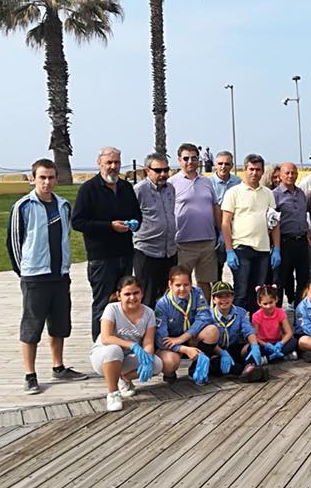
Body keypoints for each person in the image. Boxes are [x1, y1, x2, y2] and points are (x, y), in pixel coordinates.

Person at [7, 158, 87, 394]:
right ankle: (30, 374)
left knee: (60, 324)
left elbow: (65, 236)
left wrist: (63, 265)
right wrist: (24, 270)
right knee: (32, 326)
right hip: (35, 276)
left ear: (57, 179)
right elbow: (14, 242)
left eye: (51, 177)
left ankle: (58, 366)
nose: (47, 182)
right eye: (42, 177)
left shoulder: (63, 205)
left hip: (59, 275)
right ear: (33, 179)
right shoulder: (23, 206)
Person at [72, 146, 142, 341]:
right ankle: (100, 344)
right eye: (109, 162)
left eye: (116, 162)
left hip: (125, 254)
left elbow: (137, 214)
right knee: (103, 303)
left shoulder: (126, 187)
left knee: (125, 301)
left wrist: (134, 223)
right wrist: (110, 226)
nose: (113, 166)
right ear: (99, 163)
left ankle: (122, 341)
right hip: (101, 257)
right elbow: (78, 222)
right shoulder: (88, 189)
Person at [91, 275, 163, 411]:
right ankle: (113, 393)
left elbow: (148, 342)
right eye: (127, 294)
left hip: (127, 358)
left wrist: (147, 358)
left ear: (142, 294)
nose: (132, 297)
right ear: (119, 295)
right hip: (104, 357)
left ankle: (124, 378)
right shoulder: (112, 309)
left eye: (136, 293)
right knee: (114, 349)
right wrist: (132, 345)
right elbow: (106, 338)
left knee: (157, 364)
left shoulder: (149, 313)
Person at [221, 153, 281, 313]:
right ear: (245, 170)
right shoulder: (233, 192)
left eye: (258, 170)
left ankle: (254, 325)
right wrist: (229, 250)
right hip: (241, 249)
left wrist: (276, 248)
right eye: (251, 169)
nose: (254, 173)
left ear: (263, 171)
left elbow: (274, 222)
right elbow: (225, 223)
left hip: (263, 250)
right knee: (241, 292)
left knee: (258, 292)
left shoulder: (268, 193)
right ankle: (239, 324)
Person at [169, 142, 220, 303]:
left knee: (205, 282)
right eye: (186, 158)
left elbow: (215, 206)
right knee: (181, 283)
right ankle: (181, 312)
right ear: (179, 160)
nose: (190, 161)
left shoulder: (207, 182)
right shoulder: (172, 183)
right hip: (183, 242)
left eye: (194, 158)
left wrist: (220, 233)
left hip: (207, 241)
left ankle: (204, 312)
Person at [154, 266, 220, 383]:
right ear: (170, 284)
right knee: (170, 362)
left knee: (212, 330)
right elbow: (161, 339)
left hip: (191, 337)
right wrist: (184, 349)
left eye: (186, 285)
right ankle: (170, 373)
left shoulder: (197, 293)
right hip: (173, 343)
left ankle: (196, 369)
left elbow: (205, 317)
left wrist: (184, 337)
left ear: (191, 284)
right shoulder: (162, 305)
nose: (182, 289)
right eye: (178, 285)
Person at [133, 153, 178, 308]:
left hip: (169, 251)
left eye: (166, 170)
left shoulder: (170, 189)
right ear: (147, 170)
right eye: (158, 170)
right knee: (148, 298)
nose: (163, 174)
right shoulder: (139, 190)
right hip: (147, 251)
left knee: (168, 298)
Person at [207, 280, 265, 381]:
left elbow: (248, 331)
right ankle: (248, 370)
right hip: (217, 350)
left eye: (227, 296)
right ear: (213, 299)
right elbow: (208, 341)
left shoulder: (240, 312)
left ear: (233, 297)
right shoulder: (208, 315)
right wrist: (222, 353)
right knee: (215, 364)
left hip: (234, 347)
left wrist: (255, 346)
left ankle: (249, 369)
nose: (224, 300)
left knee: (252, 346)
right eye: (220, 296)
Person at [274, 162, 309, 306]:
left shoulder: (301, 193)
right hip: (284, 242)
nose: (290, 176)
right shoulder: (275, 195)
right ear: (281, 175)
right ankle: (277, 313)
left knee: (303, 278)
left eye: (293, 173)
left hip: (302, 241)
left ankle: (300, 310)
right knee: (281, 280)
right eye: (287, 173)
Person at [209, 150, 241, 281]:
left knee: (238, 267)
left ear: (232, 165)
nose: (223, 167)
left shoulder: (238, 182)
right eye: (220, 163)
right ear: (215, 165)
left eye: (227, 164)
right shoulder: (208, 183)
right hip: (214, 229)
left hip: (234, 228)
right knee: (216, 268)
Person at [251, 284, 298, 361]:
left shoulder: (280, 312)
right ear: (259, 303)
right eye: (265, 304)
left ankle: (269, 358)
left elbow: (289, 333)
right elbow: (254, 336)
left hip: (277, 342)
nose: (268, 306)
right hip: (263, 344)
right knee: (252, 347)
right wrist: (265, 345)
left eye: (271, 302)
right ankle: (280, 356)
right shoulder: (256, 316)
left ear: (276, 299)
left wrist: (281, 343)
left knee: (293, 341)